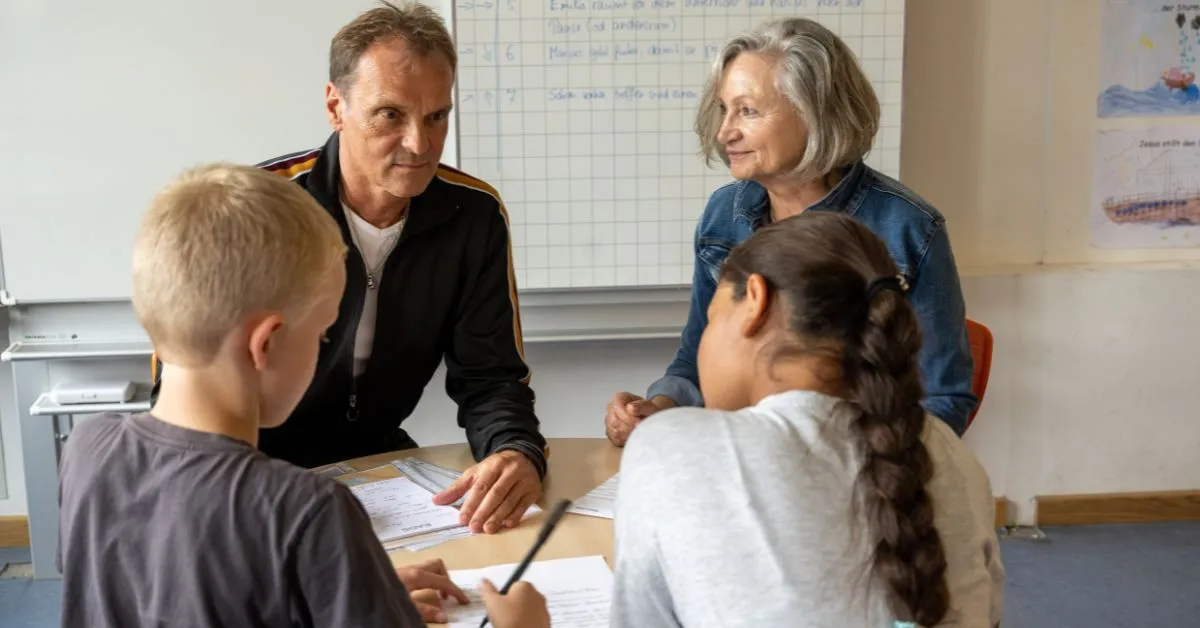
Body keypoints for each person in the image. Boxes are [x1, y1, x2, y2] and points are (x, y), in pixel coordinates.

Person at [57, 164, 550, 627]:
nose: (322, 350)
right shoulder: (309, 510)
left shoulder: (88, 450)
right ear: (266, 344)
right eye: (322, 335)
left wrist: (352, 591)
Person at [150, 1, 544, 534]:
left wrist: (514, 451)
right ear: (336, 107)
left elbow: (492, 377)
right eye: (391, 115)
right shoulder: (260, 209)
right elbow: (180, 394)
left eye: (437, 116)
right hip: (254, 477)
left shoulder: (474, 216)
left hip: (380, 472)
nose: (420, 144)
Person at [611, 211, 1003, 627]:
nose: (704, 344)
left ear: (755, 302)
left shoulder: (667, 447)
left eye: (711, 319)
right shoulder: (954, 455)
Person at [605, 17, 977, 446]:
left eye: (747, 110)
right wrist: (660, 409)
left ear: (815, 112)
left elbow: (943, 401)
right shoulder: (722, 215)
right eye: (724, 109)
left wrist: (840, 465)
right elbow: (694, 361)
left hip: (858, 472)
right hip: (743, 457)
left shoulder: (909, 229)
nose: (725, 131)